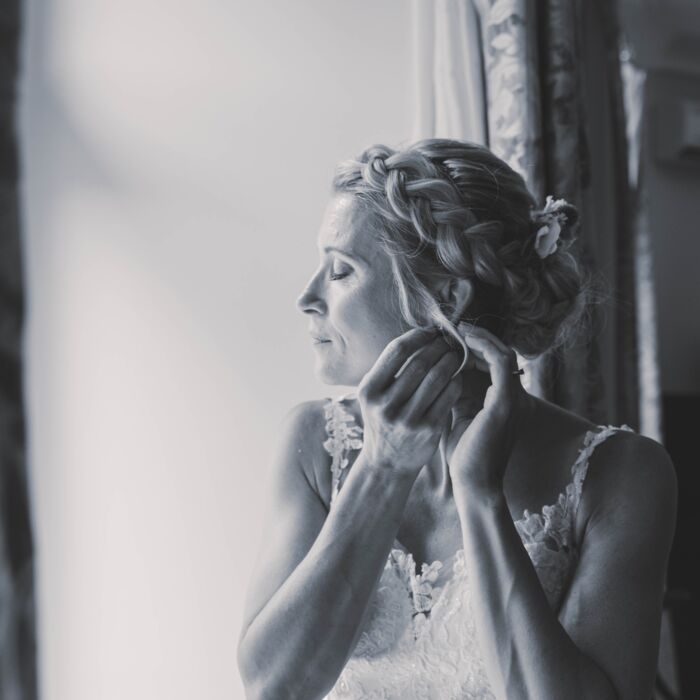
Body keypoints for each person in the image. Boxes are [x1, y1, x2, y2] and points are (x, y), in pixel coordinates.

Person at [236, 139, 677, 700]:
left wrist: (479, 492)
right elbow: (273, 688)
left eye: (341, 271)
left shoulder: (621, 475)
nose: (306, 297)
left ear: (446, 295)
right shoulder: (316, 447)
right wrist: (381, 467)